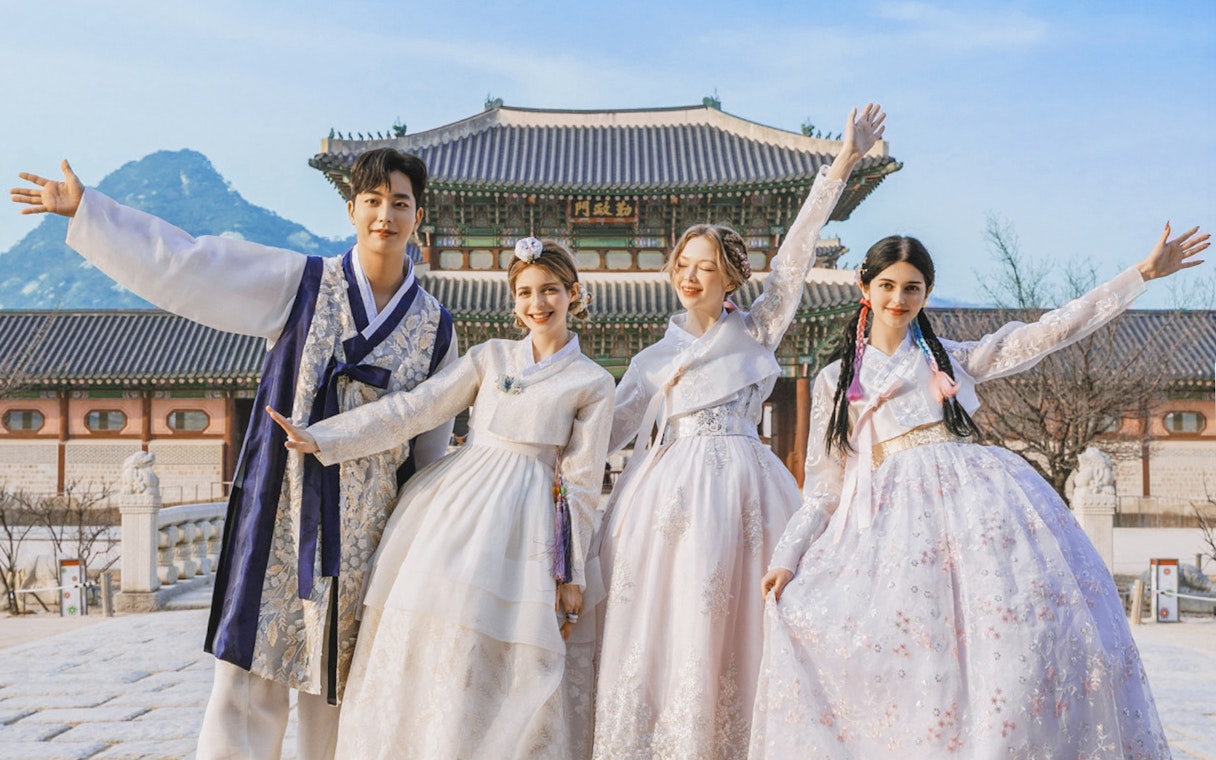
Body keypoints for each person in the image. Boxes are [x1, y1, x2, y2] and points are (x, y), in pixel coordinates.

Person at [10, 149, 458, 760]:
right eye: (372, 201)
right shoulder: (299, 284)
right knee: (251, 678)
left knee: (346, 689)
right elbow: (191, 263)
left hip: (371, 532)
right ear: (351, 210)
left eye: (399, 203)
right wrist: (92, 213)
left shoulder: (437, 327)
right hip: (282, 507)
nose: (385, 215)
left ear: (418, 215)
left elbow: (432, 453)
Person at [751, 227, 1208, 758]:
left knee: (1007, 646)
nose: (899, 299)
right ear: (865, 287)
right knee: (913, 657)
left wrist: (1141, 275)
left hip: (978, 514)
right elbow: (823, 491)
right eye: (888, 285)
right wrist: (787, 557)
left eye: (913, 288)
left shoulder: (950, 358)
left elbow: (1048, 332)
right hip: (891, 528)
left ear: (926, 293)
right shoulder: (835, 381)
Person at [584, 105, 886, 759]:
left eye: (706, 266)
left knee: (752, 620)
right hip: (668, 500)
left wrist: (842, 163)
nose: (691, 275)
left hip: (749, 490)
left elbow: (799, 256)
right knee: (669, 622)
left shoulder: (756, 328)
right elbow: (602, 436)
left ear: (729, 279)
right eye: (683, 264)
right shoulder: (651, 361)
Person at [270, 238, 615, 760]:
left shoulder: (592, 382)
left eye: (549, 291)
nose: (537, 304)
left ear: (574, 293)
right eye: (524, 292)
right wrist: (326, 438)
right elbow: (415, 409)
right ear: (513, 300)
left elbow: (584, 482)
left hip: (526, 524)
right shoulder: (490, 357)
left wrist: (572, 576)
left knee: (497, 656)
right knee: (432, 641)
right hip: (453, 514)